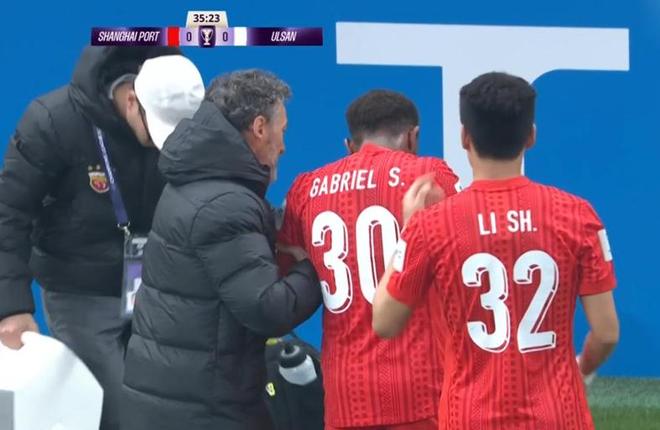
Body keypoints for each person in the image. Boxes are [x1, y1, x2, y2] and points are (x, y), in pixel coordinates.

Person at [373, 72, 620, 429]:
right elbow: (607, 333)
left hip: (469, 415)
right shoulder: (576, 215)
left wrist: (408, 231)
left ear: (464, 137)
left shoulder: (431, 226)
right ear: (531, 135)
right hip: (559, 414)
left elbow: (385, 322)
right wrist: (582, 368)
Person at [0, 47, 204, 430]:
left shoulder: (181, 108)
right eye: (158, 131)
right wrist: (10, 306)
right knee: (118, 413)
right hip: (79, 290)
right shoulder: (53, 121)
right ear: (132, 101)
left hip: (156, 290)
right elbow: (8, 211)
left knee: (170, 410)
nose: (164, 143)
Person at [122, 69, 323, 430]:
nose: (283, 146)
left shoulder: (197, 181)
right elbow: (268, 308)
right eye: (282, 130)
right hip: (204, 410)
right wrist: (313, 268)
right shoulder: (226, 203)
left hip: (171, 399)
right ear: (259, 127)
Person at [277, 90, 460, 430]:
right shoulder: (430, 175)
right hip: (422, 390)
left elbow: (282, 277)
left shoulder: (305, 188)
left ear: (349, 145)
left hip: (347, 396)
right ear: (413, 136)